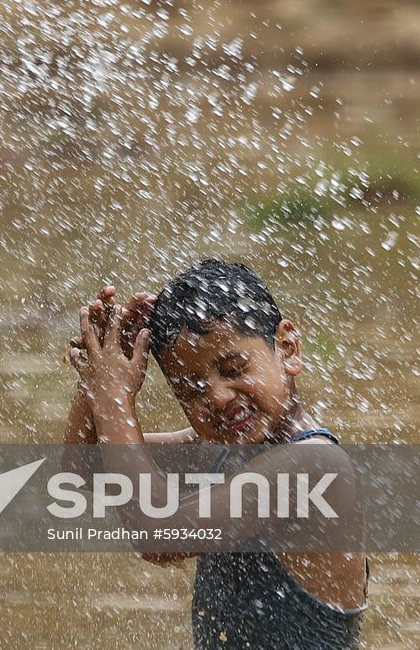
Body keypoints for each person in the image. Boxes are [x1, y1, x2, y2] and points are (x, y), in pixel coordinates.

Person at [62, 259, 368, 649]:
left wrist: (113, 399)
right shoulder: (215, 452)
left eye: (234, 368)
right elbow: (85, 467)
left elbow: (159, 536)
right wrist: (99, 377)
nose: (218, 397)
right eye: (192, 390)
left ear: (288, 349)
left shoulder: (315, 466)